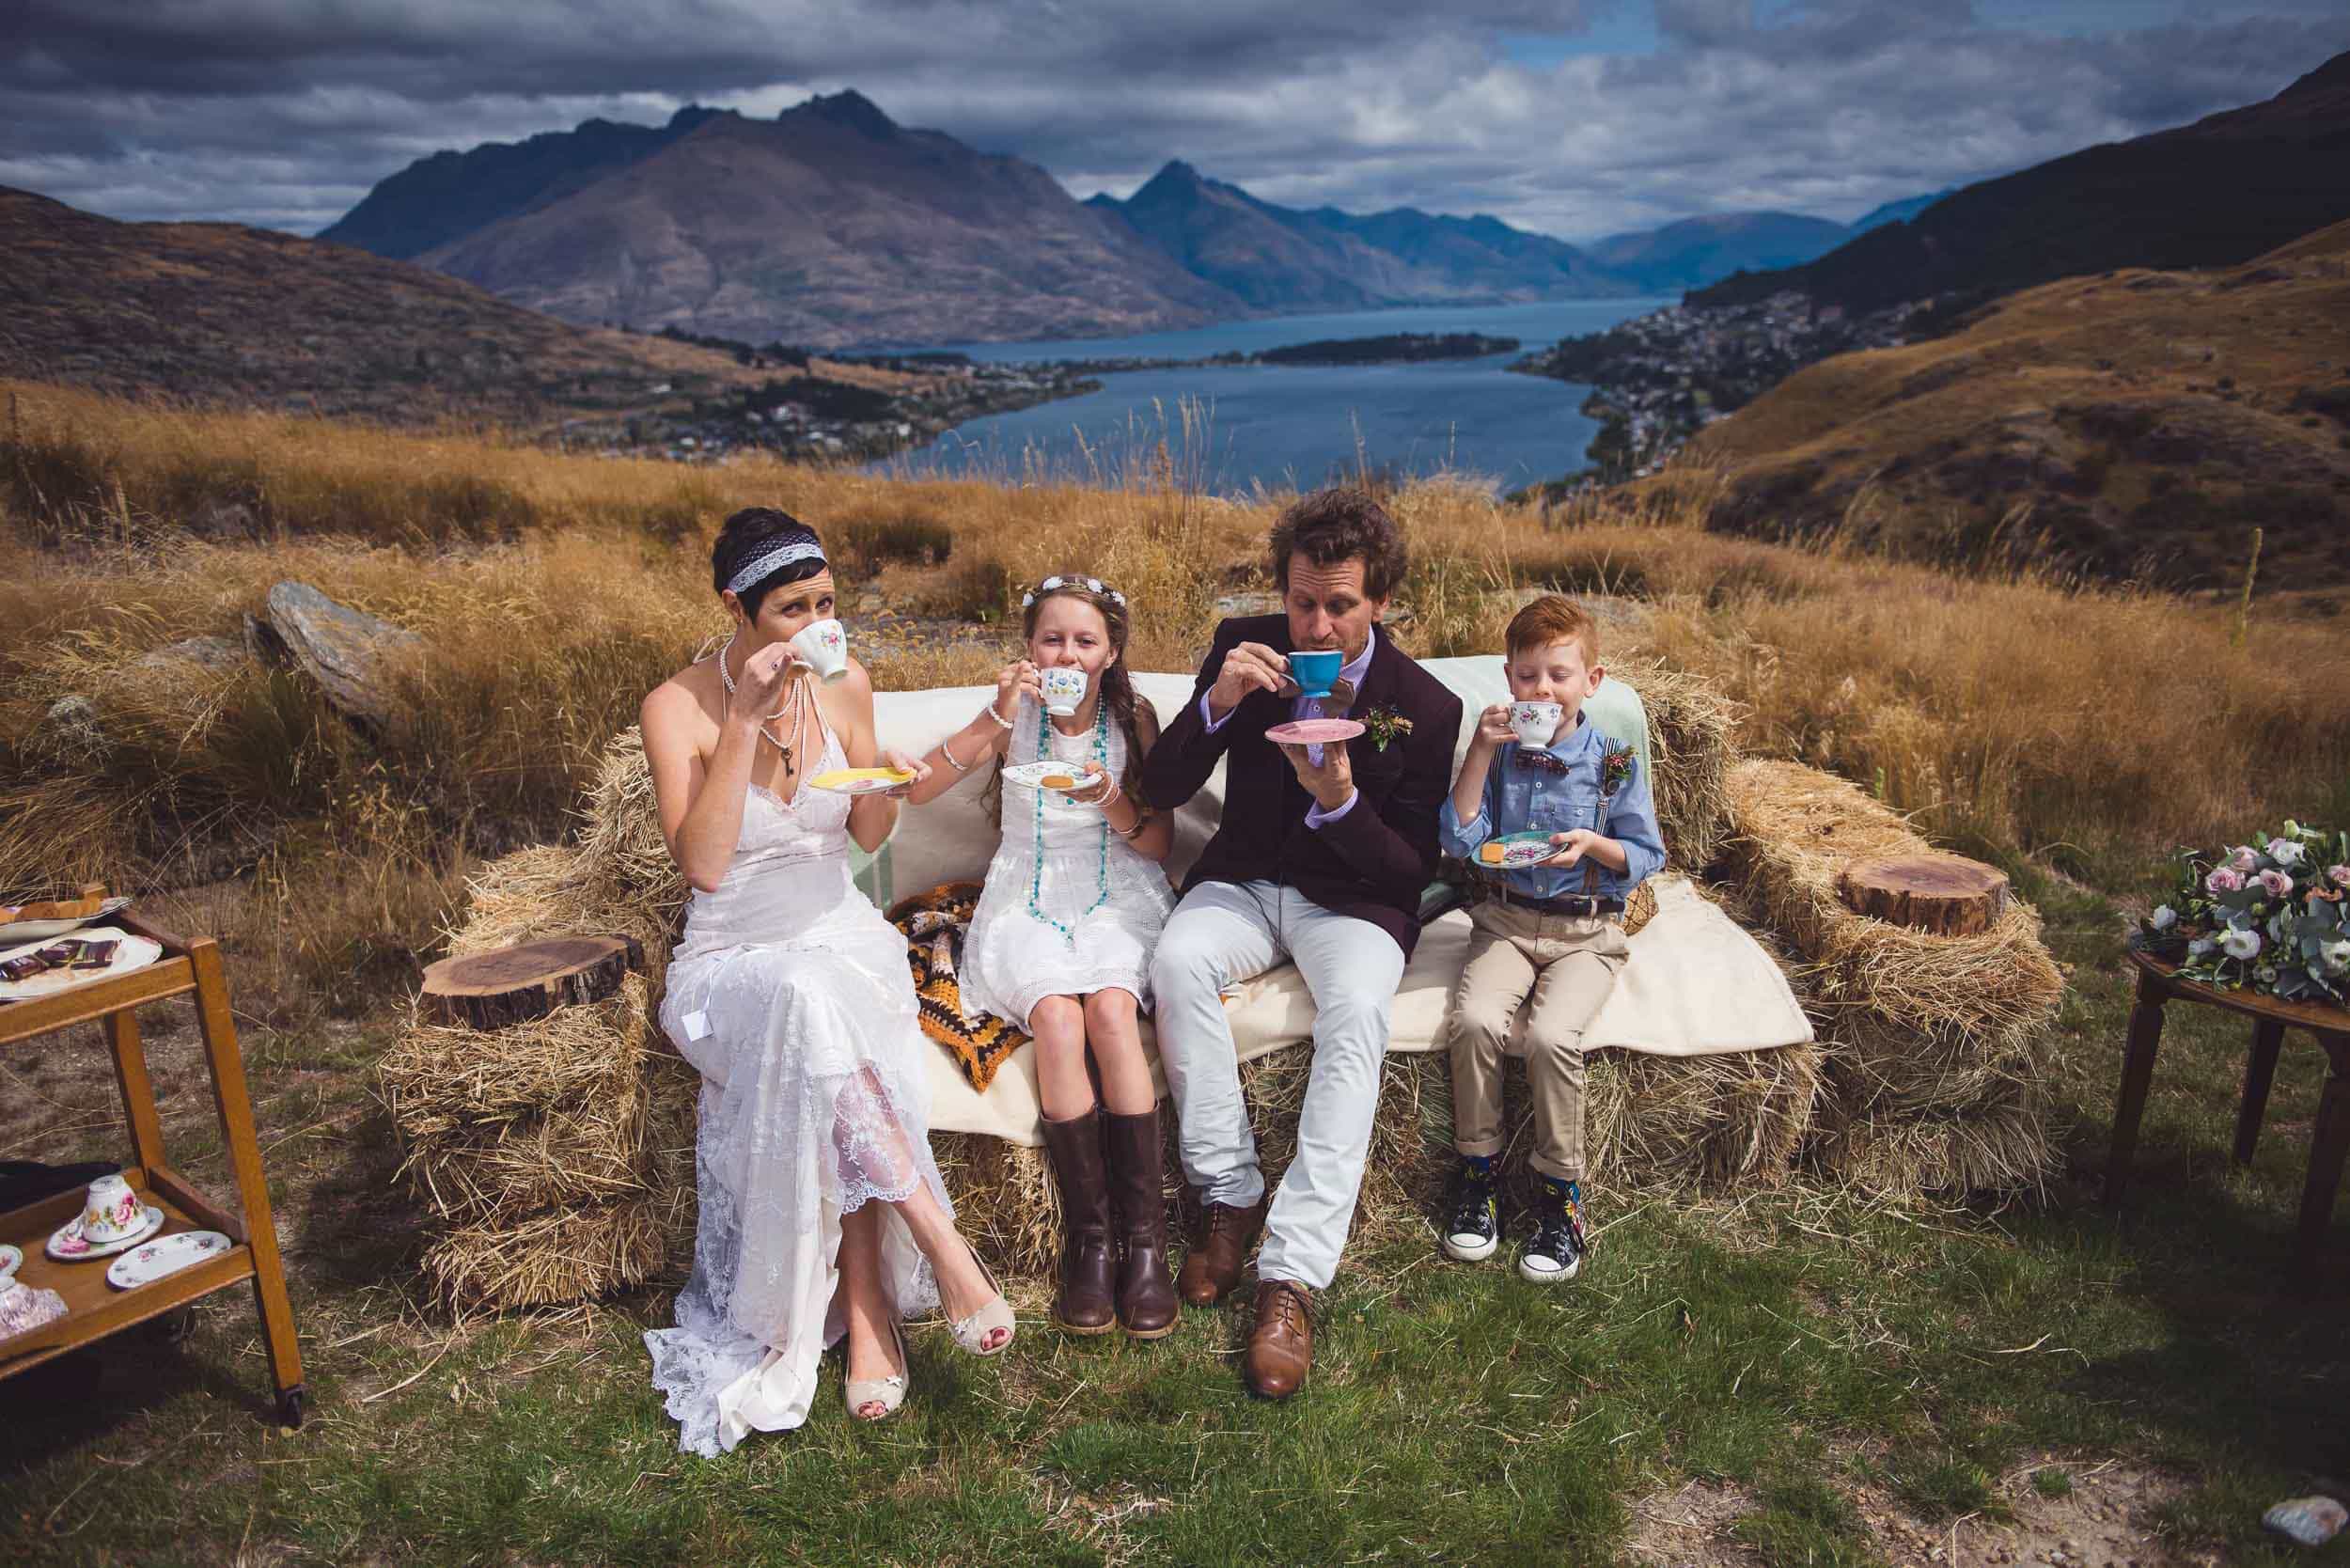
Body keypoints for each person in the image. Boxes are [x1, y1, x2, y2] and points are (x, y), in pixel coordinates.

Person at [638, 507, 1014, 1454]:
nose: (816, 625)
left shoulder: (846, 683)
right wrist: (744, 721)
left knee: (819, 1009)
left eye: (827, 603)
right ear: (736, 607)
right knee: (804, 1004)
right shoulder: (677, 707)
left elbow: (866, 839)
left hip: (841, 937)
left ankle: (869, 1310)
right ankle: (934, 1241)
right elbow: (707, 868)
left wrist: (881, 788)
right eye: (791, 609)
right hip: (730, 960)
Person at [1142, 487, 1464, 1399]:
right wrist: (1217, 699)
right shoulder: (1241, 645)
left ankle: (1291, 1278)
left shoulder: (1425, 708)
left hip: (1353, 901)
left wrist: (1340, 804)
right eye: (1300, 601)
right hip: (1244, 880)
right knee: (1174, 962)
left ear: (1381, 603)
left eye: (1338, 605)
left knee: (1358, 1010)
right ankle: (1228, 1196)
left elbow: (1408, 869)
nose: (1313, 624)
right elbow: (1162, 787)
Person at [900, 573, 1180, 1339]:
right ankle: (1089, 1244)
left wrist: (1109, 800)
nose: (1067, 653)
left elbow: (1159, 842)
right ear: (1029, 648)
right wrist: (993, 714)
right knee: (1058, 1019)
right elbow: (918, 789)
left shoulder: (1134, 719)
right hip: (1027, 894)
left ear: (1111, 651)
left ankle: (1145, 1244)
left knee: (1114, 1015)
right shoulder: (1011, 717)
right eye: (1052, 639)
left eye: (1084, 641)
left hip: (1117, 891)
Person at [1435, 594, 1665, 1283]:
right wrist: (1478, 750)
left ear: (1591, 682)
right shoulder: (1499, 755)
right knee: (1475, 1019)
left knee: (1550, 1038)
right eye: (1529, 677)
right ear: (1509, 680)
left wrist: (1595, 845)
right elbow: (1461, 839)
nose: (1543, 691)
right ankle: (1477, 1175)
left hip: (1585, 930)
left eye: (1559, 676)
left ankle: (1560, 1197)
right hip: (1504, 922)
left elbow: (1646, 853)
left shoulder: (1616, 758)